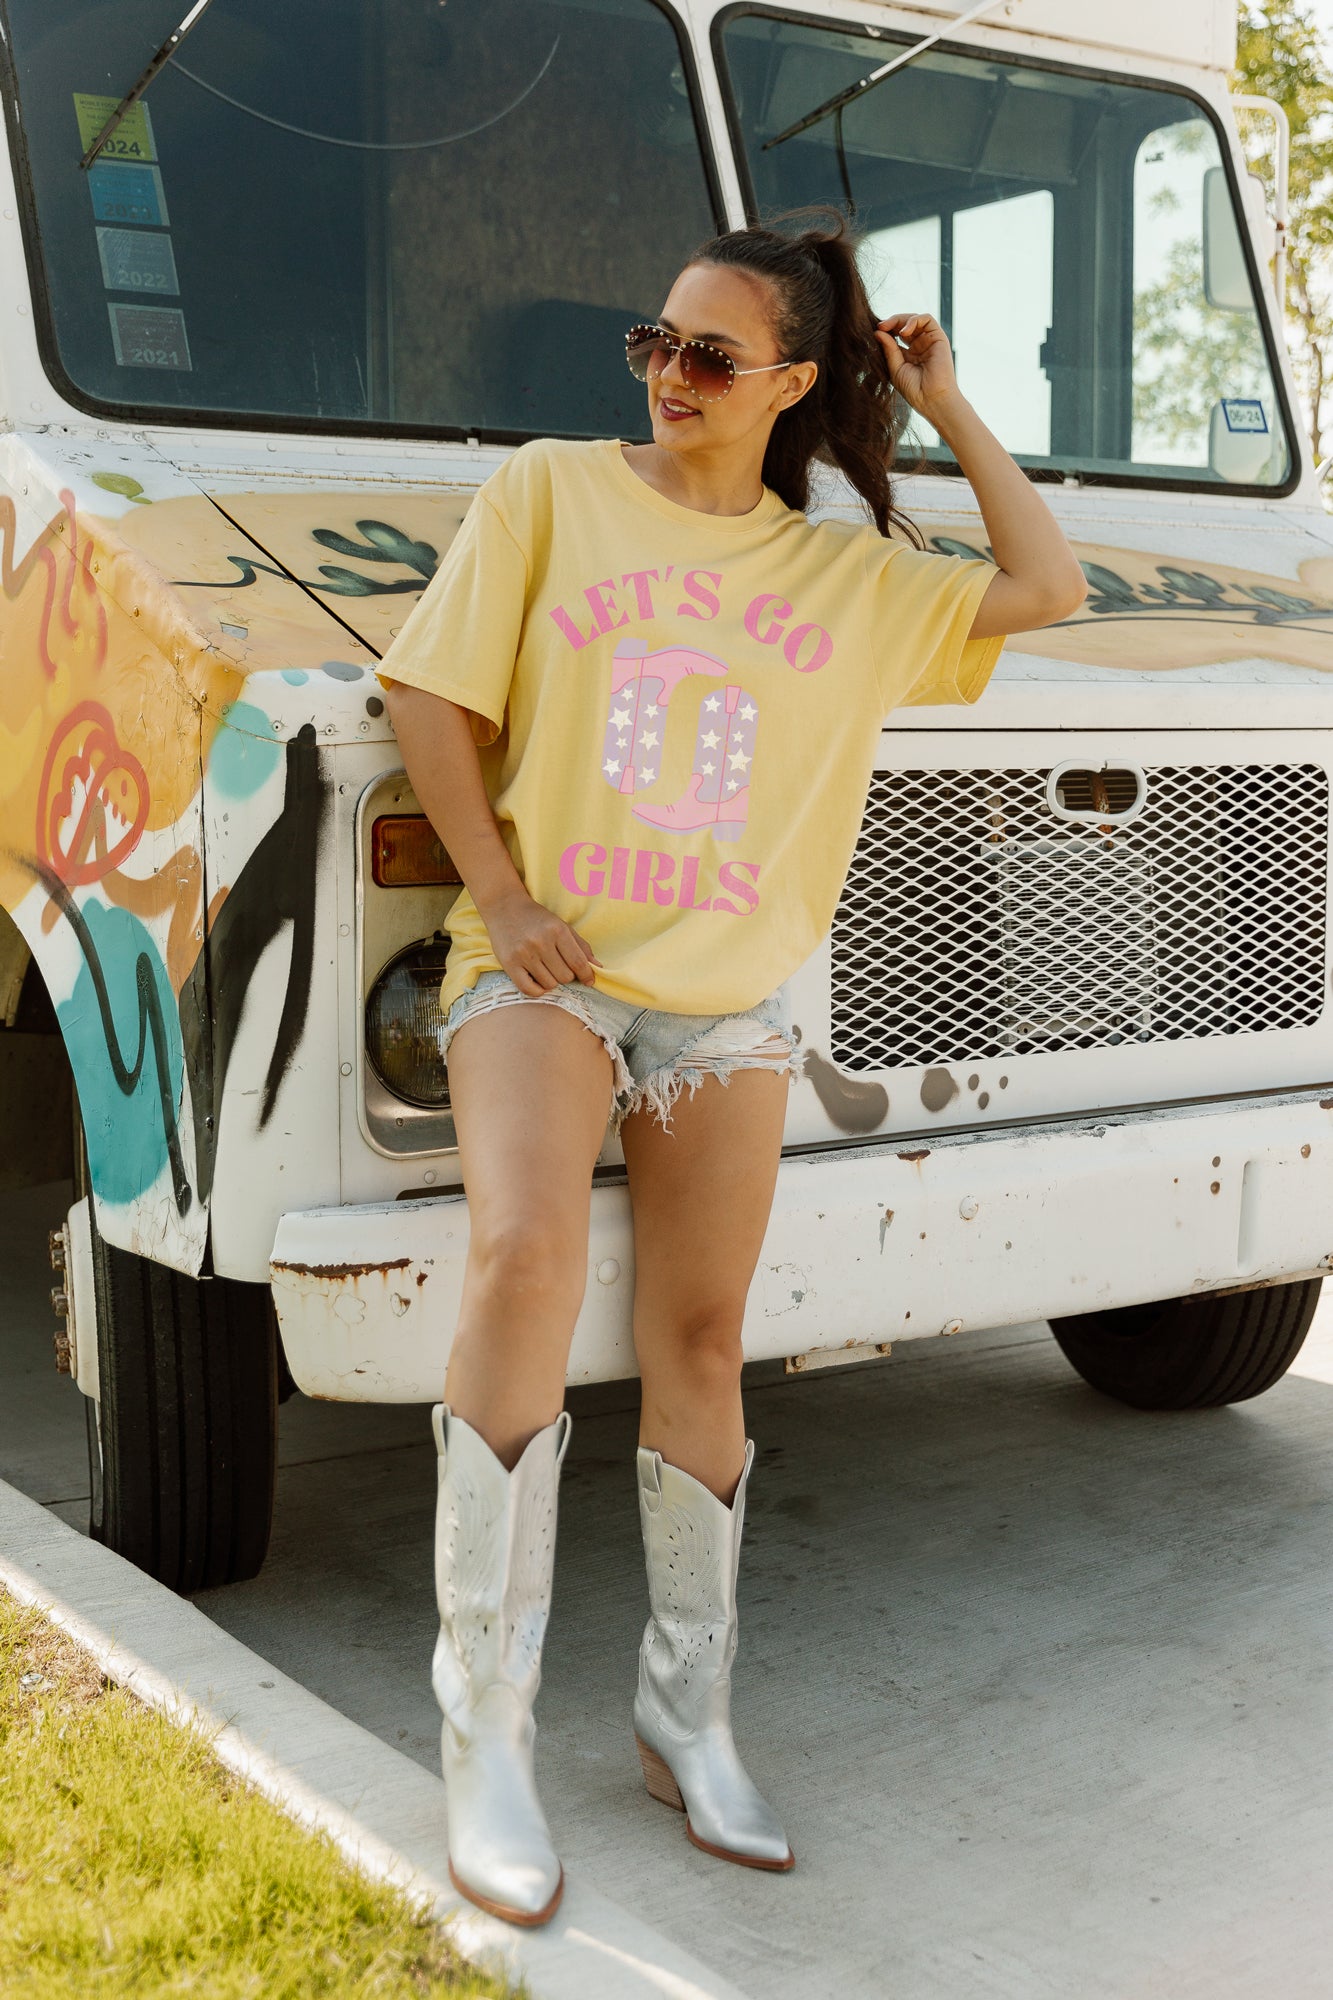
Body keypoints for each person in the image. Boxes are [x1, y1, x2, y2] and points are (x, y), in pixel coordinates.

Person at [380, 210, 1087, 1927]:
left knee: (702, 1339)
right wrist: (502, 895)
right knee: (524, 1259)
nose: (670, 375)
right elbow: (428, 697)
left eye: (712, 354)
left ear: (790, 384)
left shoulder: (845, 580)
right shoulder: (551, 492)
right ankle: (484, 1728)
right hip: (547, 973)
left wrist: (941, 400)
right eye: (655, 342)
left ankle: (683, 1715)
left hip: (726, 1004)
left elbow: (1047, 588)